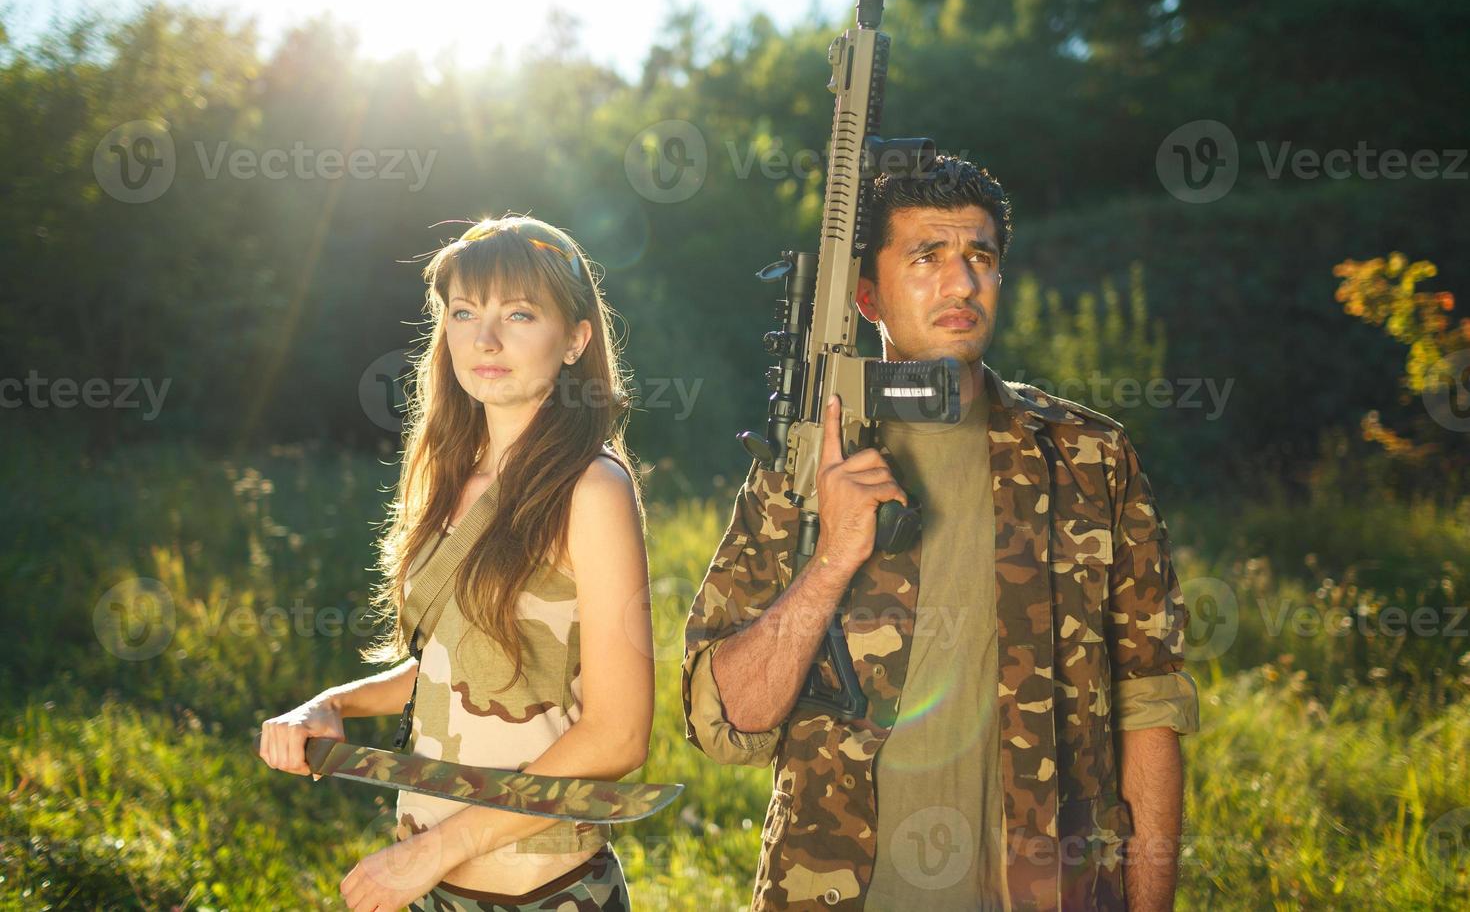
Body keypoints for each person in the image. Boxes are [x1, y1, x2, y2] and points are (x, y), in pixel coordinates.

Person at [681, 157, 1200, 911]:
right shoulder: (807, 461)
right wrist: (832, 559)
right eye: (927, 258)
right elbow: (729, 720)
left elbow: (1148, 704)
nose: (961, 284)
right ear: (867, 295)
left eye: (980, 258)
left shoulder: (1090, 456)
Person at [259, 214, 652, 912]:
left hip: (538, 894)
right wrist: (331, 705)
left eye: (519, 314)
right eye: (465, 312)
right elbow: (453, 662)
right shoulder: (450, 475)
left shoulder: (590, 489)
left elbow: (618, 734)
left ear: (576, 340)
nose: (484, 338)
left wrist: (428, 852)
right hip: (430, 890)